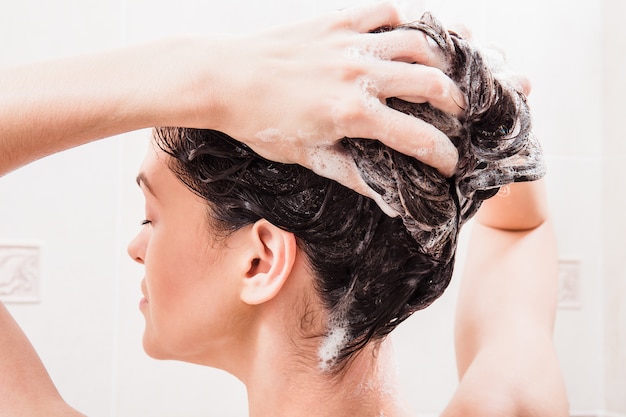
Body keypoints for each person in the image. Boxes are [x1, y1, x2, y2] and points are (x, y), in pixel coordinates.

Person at [0, 3, 568, 417]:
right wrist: (464, 107)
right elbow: (522, 227)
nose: (136, 246)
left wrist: (201, 72)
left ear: (261, 259)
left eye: (153, 216)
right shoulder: (507, 402)